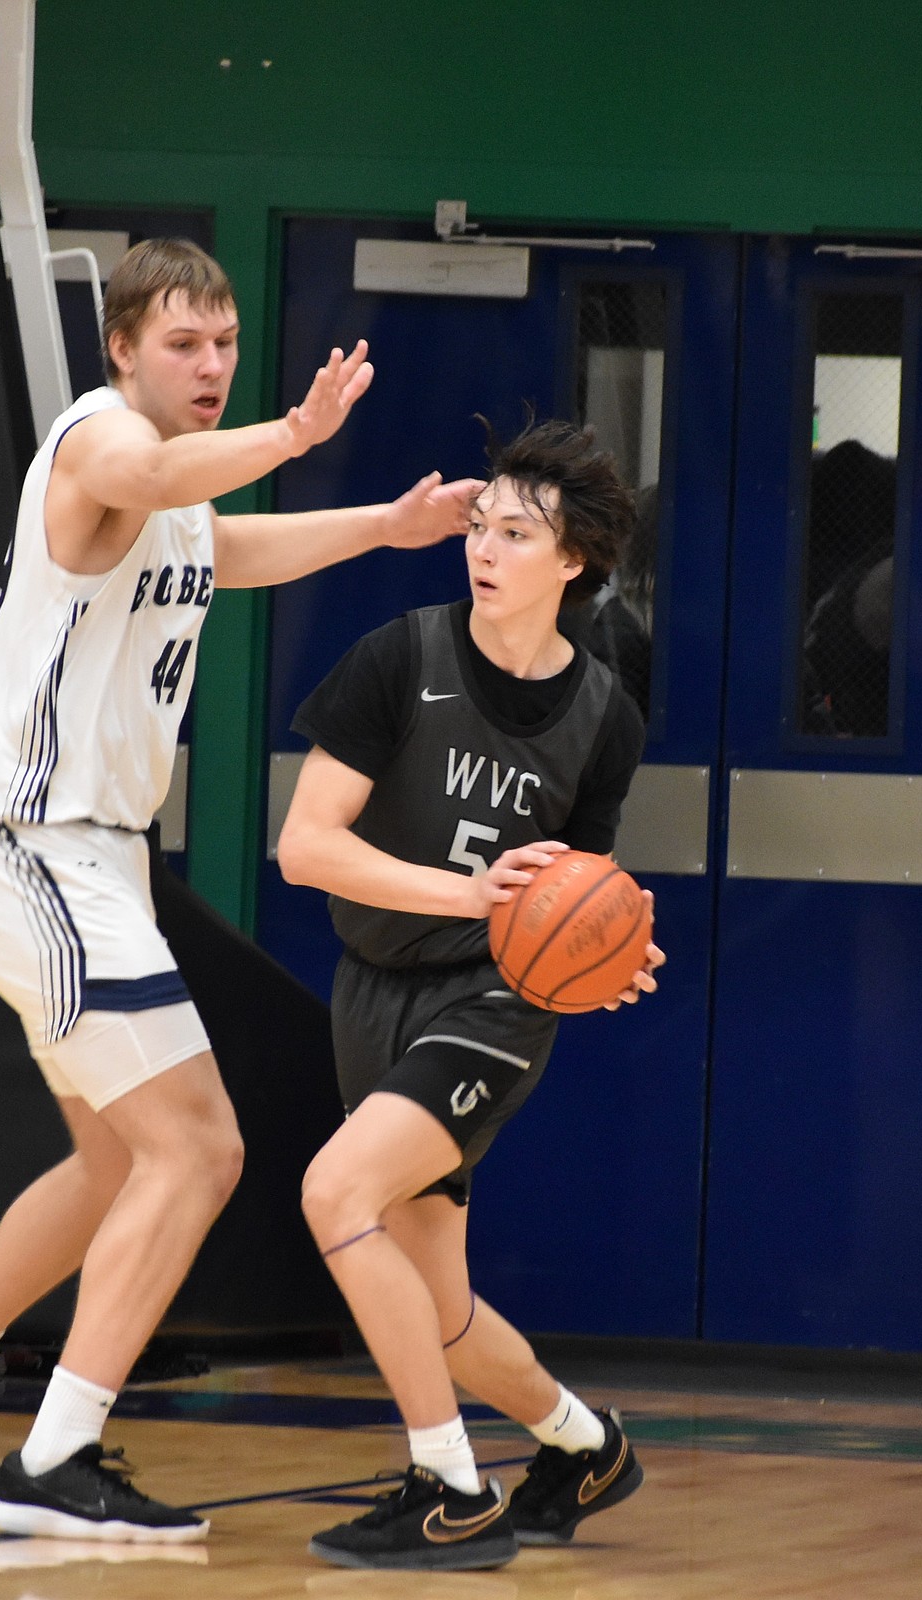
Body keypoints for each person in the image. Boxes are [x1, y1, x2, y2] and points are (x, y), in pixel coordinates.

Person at [0, 238, 482, 1544]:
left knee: (110, 1161)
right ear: (121, 348)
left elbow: (223, 548)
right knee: (198, 1149)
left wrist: (382, 525)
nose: (209, 366)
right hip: (39, 849)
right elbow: (158, 475)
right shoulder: (95, 444)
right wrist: (295, 429)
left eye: (225, 344)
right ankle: (58, 1450)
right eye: (184, 344)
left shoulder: (176, 500)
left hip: (84, 864)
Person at [277, 418, 663, 1572]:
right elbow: (305, 848)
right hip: (375, 982)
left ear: (577, 561)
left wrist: (612, 951)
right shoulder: (399, 656)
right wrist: (474, 895)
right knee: (435, 1305)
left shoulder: (605, 718)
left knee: (335, 1191)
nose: (485, 548)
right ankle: (580, 1442)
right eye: (479, 526)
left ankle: (445, 1483)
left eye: (516, 532)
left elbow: (576, 897)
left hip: (493, 1006)